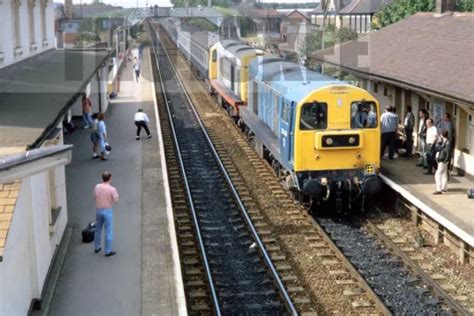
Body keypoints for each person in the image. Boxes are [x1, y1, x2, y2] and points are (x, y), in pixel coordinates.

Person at [94, 171, 119, 257]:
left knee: (98, 229)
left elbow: (95, 197)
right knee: (108, 231)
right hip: (107, 210)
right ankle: (108, 251)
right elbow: (116, 201)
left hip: (98, 210)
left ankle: (97, 247)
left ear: (102, 178)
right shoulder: (112, 189)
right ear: (110, 178)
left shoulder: (97, 186)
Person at [433, 130, 451, 195]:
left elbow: (448, 153)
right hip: (443, 160)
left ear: (442, 135)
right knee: (444, 174)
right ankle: (444, 188)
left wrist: (445, 161)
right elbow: (437, 148)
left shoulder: (447, 143)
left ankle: (439, 189)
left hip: (443, 160)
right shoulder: (444, 142)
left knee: (437, 174)